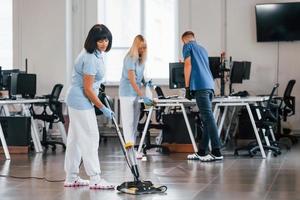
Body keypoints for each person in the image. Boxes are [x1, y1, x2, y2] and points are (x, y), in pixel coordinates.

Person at [64, 24, 115, 189]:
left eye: (106, 39)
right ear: (93, 40)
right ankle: (95, 178)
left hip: (76, 99)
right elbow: (87, 89)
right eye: (100, 40)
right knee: (91, 137)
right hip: (81, 100)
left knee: (75, 139)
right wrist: (102, 107)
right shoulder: (91, 57)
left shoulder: (95, 54)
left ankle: (71, 177)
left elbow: (92, 84)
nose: (104, 43)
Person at [181, 31, 223, 162]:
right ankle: (202, 151)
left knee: (209, 118)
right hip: (209, 85)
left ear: (184, 40)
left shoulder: (187, 46)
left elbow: (188, 65)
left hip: (200, 86)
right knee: (206, 119)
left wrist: (187, 87)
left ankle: (216, 151)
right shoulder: (203, 49)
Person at [119, 35, 153, 158]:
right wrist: (143, 96)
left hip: (136, 94)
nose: (142, 50)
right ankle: (129, 151)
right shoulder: (130, 58)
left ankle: (132, 149)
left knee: (134, 122)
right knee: (128, 122)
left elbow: (140, 76)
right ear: (135, 47)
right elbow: (133, 81)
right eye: (140, 48)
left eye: (144, 48)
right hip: (127, 93)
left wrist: (146, 82)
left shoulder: (140, 59)